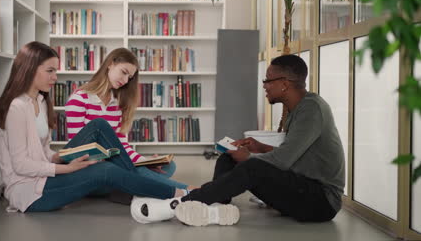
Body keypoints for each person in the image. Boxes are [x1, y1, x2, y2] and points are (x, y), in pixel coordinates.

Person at [131, 54, 345, 226]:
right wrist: (260, 147)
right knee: (229, 158)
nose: (264, 85)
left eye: (268, 80)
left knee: (252, 167)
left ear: (284, 84)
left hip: (321, 201)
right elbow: (298, 155)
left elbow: (284, 161)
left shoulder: (312, 109)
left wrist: (250, 156)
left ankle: (179, 204)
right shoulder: (297, 109)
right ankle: (215, 203)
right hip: (303, 186)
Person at [0, 41, 189, 213]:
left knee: (144, 165)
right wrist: (67, 168)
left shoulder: (40, 102)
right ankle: (183, 194)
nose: (55, 77)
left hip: (47, 177)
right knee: (104, 155)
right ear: (29, 68)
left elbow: (43, 151)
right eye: (50, 71)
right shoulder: (16, 108)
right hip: (29, 192)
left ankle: (159, 189)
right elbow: (21, 165)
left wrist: (59, 158)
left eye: (56, 71)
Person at [64, 47, 194, 192]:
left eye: (129, 77)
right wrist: (119, 161)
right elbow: (76, 149)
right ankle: (187, 191)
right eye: (124, 72)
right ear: (111, 64)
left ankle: (128, 189)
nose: (125, 81)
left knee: (168, 166)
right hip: (91, 169)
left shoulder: (117, 104)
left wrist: (146, 162)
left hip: (115, 165)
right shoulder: (79, 99)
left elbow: (122, 146)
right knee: (131, 170)